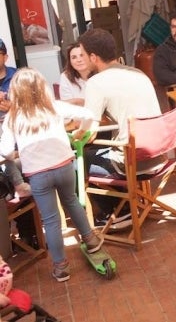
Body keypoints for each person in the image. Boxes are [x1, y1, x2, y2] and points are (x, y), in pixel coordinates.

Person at [0, 68, 104, 283]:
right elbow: (89, 114)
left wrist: (15, 154)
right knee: (72, 201)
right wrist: (81, 132)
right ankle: (91, 240)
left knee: (51, 221)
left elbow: (5, 151)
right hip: (64, 167)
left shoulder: (12, 118)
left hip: (38, 176)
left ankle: (61, 268)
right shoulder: (53, 107)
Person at [79, 28, 164, 226]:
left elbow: (89, 133)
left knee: (84, 156)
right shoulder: (138, 73)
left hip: (132, 162)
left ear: (93, 57)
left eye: (83, 55)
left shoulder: (96, 83)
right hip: (159, 154)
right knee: (110, 144)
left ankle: (117, 211)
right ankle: (132, 202)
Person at [0, 38, 17, 121]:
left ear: (5, 57)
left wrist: (12, 108)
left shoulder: (19, 77)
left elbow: (34, 105)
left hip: (16, 127)